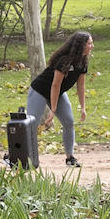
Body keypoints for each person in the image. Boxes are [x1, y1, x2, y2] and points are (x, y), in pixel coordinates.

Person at [27, 31, 94, 168]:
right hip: (40, 90)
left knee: (69, 121)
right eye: (89, 43)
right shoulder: (64, 61)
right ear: (81, 45)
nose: (92, 46)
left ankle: (70, 158)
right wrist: (53, 109)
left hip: (58, 92)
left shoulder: (82, 61)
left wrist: (83, 107)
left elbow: (80, 86)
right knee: (31, 125)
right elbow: (55, 85)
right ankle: (14, 156)